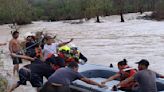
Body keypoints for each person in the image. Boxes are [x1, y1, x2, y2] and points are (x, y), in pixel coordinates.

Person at [39, 62, 106, 92]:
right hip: (61, 87)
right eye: (77, 68)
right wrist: (99, 85)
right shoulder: (75, 72)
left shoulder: (61, 68)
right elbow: (88, 81)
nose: (77, 70)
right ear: (74, 67)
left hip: (48, 84)